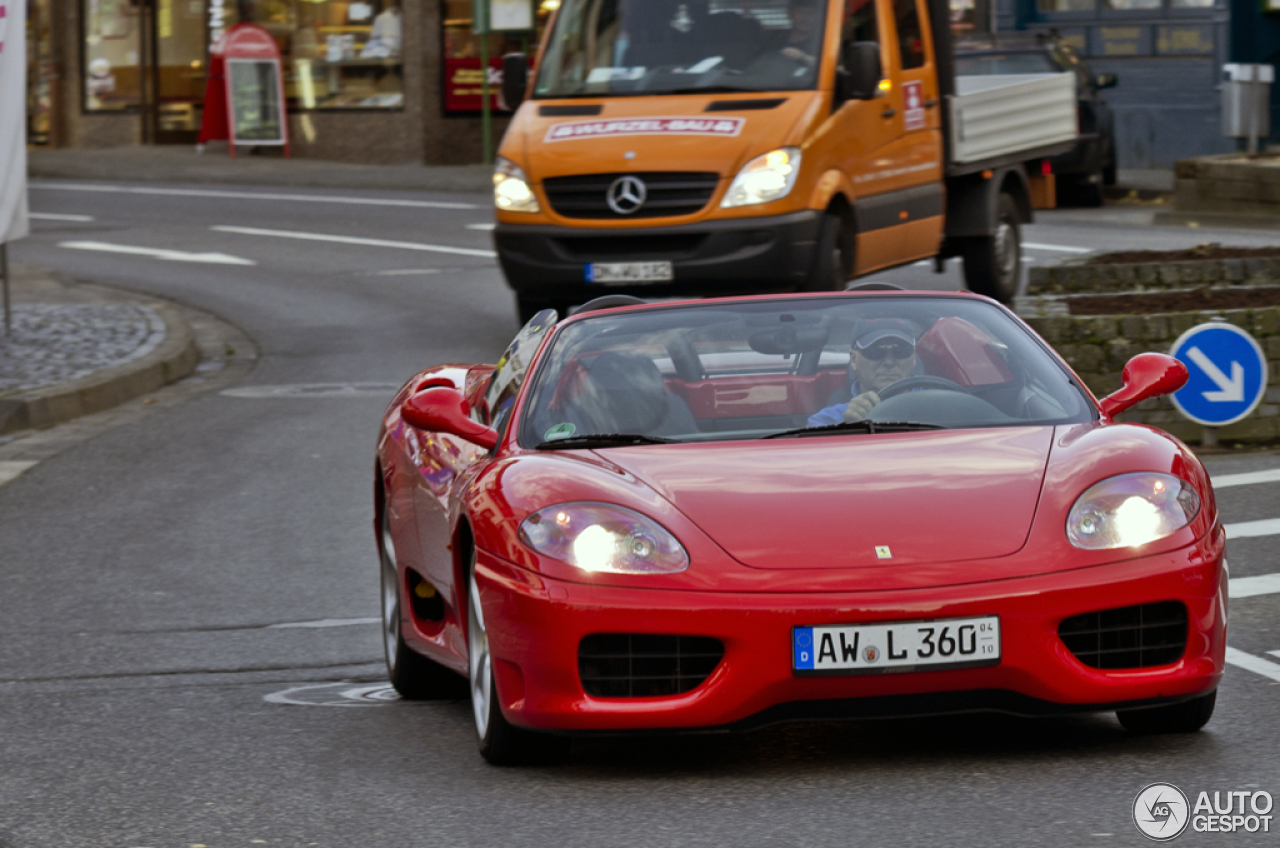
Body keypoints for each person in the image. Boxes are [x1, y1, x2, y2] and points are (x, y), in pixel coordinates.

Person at [808, 319, 919, 427]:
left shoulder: (934, 405)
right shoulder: (827, 421)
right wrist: (847, 428)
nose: (889, 362)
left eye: (900, 351)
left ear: (914, 358)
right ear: (853, 359)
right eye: (875, 351)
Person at [779, 0, 823, 67]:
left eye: (811, 13)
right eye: (801, 12)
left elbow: (829, 66)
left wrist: (803, 57)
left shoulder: (822, 40)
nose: (806, 18)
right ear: (790, 13)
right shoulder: (775, 38)